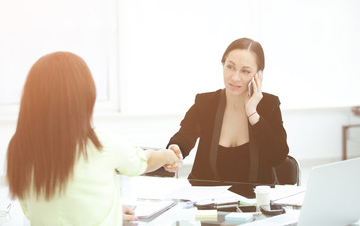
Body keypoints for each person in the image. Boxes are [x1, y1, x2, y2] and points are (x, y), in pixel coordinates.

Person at [6, 51, 182, 226]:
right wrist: (168, 155)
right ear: (84, 98)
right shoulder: (101, 143)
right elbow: (144, 161)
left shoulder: (20, 148)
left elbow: (39, 209)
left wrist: (108, 209)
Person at [165, 38, 289, 188]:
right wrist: (176, 148)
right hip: (207, 201)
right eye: (230, 67)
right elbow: (185, 135)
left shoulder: (269, 105)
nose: (235, 77)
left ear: (258, 75)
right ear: (223, 65)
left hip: (254, 203)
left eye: (245, 71)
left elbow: (277, 156)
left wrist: (253, 114)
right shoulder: (206, 103)